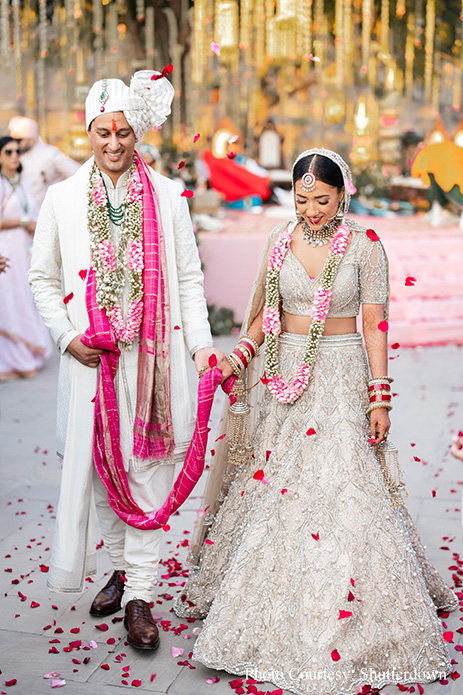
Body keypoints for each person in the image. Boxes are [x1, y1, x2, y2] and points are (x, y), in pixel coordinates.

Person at [174, 149, 458, 694]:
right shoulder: (280, 239)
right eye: (302, 200)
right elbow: (264, 312)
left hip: (343, 372)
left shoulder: (364, 245)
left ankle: (357, 613)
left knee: (347, 487)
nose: (310, 211)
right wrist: (242, 353)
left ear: (342, 194)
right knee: (279, 489)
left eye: (322, 201)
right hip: (285, 379)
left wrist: (379, 396)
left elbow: (375, 321)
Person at [29, 71, 224, 651]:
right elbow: (42, 278)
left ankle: (139, 596)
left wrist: (202, 347)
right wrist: (66, 337)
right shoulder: (62, 197)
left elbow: (188, 278)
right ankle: (120, 565)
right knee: (96, 472)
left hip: (153, 363)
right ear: (88, 132)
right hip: (89, 363)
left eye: (123, 132)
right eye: (103, 132)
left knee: (145, 470)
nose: (114, 143)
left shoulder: (167, 195)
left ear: (137, 133)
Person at [0, 136, 52, 381]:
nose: (14, 156)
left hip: (23, 248)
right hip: (4, 250)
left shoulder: (22, 183)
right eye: (8, 152)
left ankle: (26, 352)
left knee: (25, 296)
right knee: (8, 300)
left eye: (17, 151)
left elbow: (34, 213)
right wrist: (23, 222)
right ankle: (9, 360)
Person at [9, 116, 80, 206]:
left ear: (31, 139)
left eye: (19, 140)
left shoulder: (50, 154)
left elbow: (77, 172)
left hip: (44, 210)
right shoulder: (14, 155)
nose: (15, 143)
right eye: (13, 139)